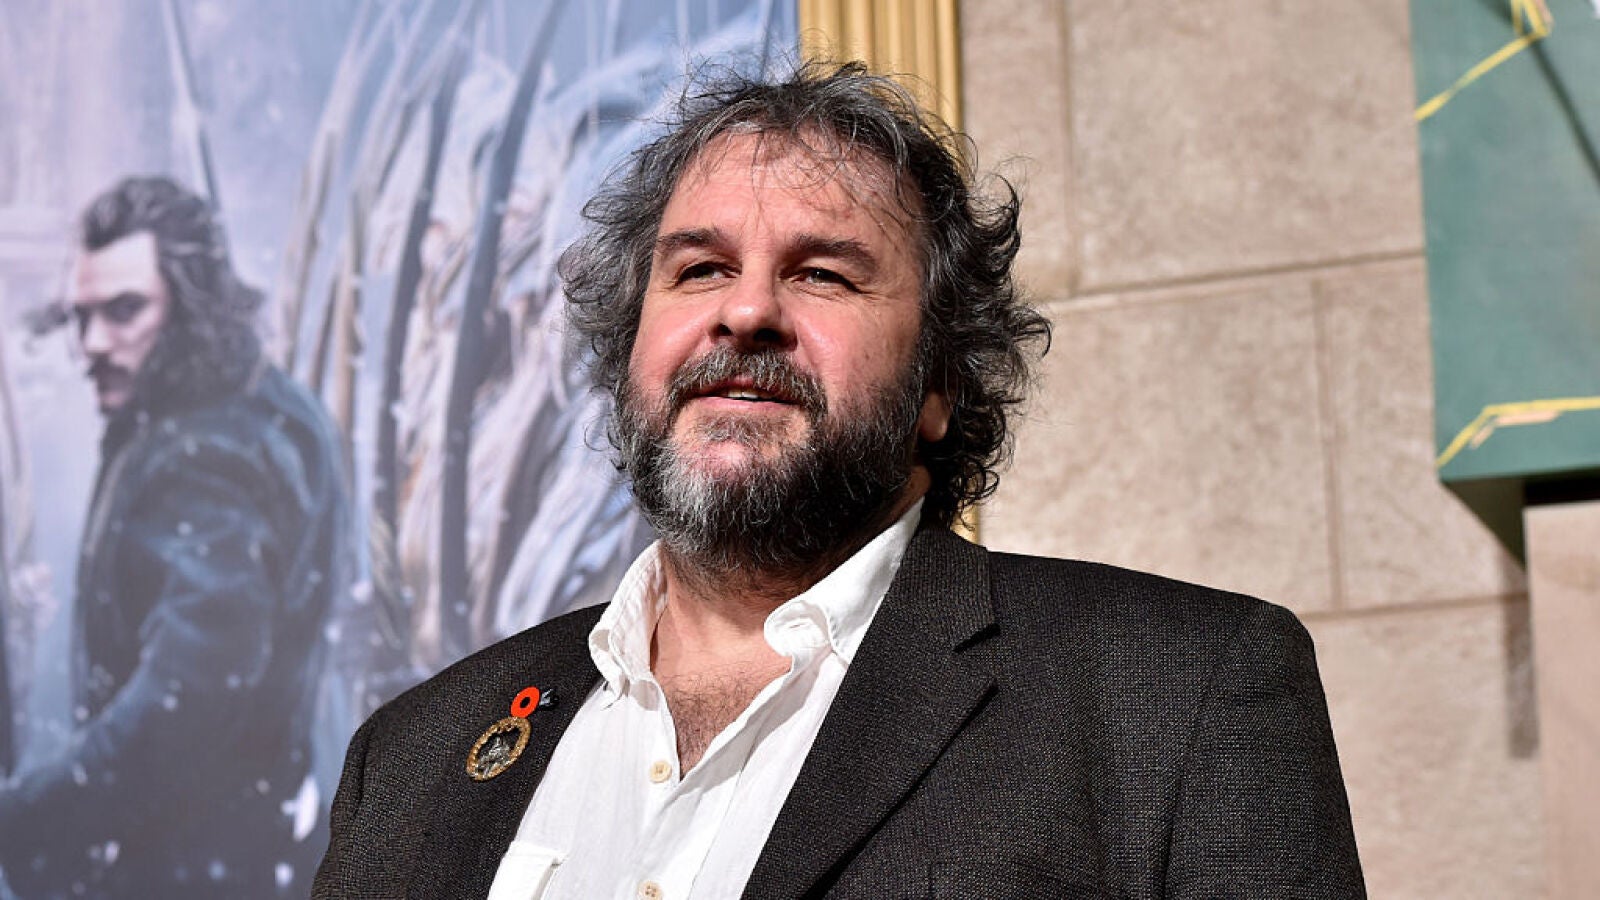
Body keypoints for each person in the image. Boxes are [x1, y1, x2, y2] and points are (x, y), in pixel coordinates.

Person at [313, 63, 1365, 899]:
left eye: (822, 273)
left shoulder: (1183, 695)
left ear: (940, 381)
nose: (745, 313)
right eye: (699, 269)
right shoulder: (408, 760)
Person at [0, 177, 351, 899]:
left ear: (192, 306)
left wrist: (30, 819)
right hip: (250, 852)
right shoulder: (266, 405)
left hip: (192, 869)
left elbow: (187, 700)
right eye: (82, 317)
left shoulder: (204, 455)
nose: (93, 344)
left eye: (124, 311)